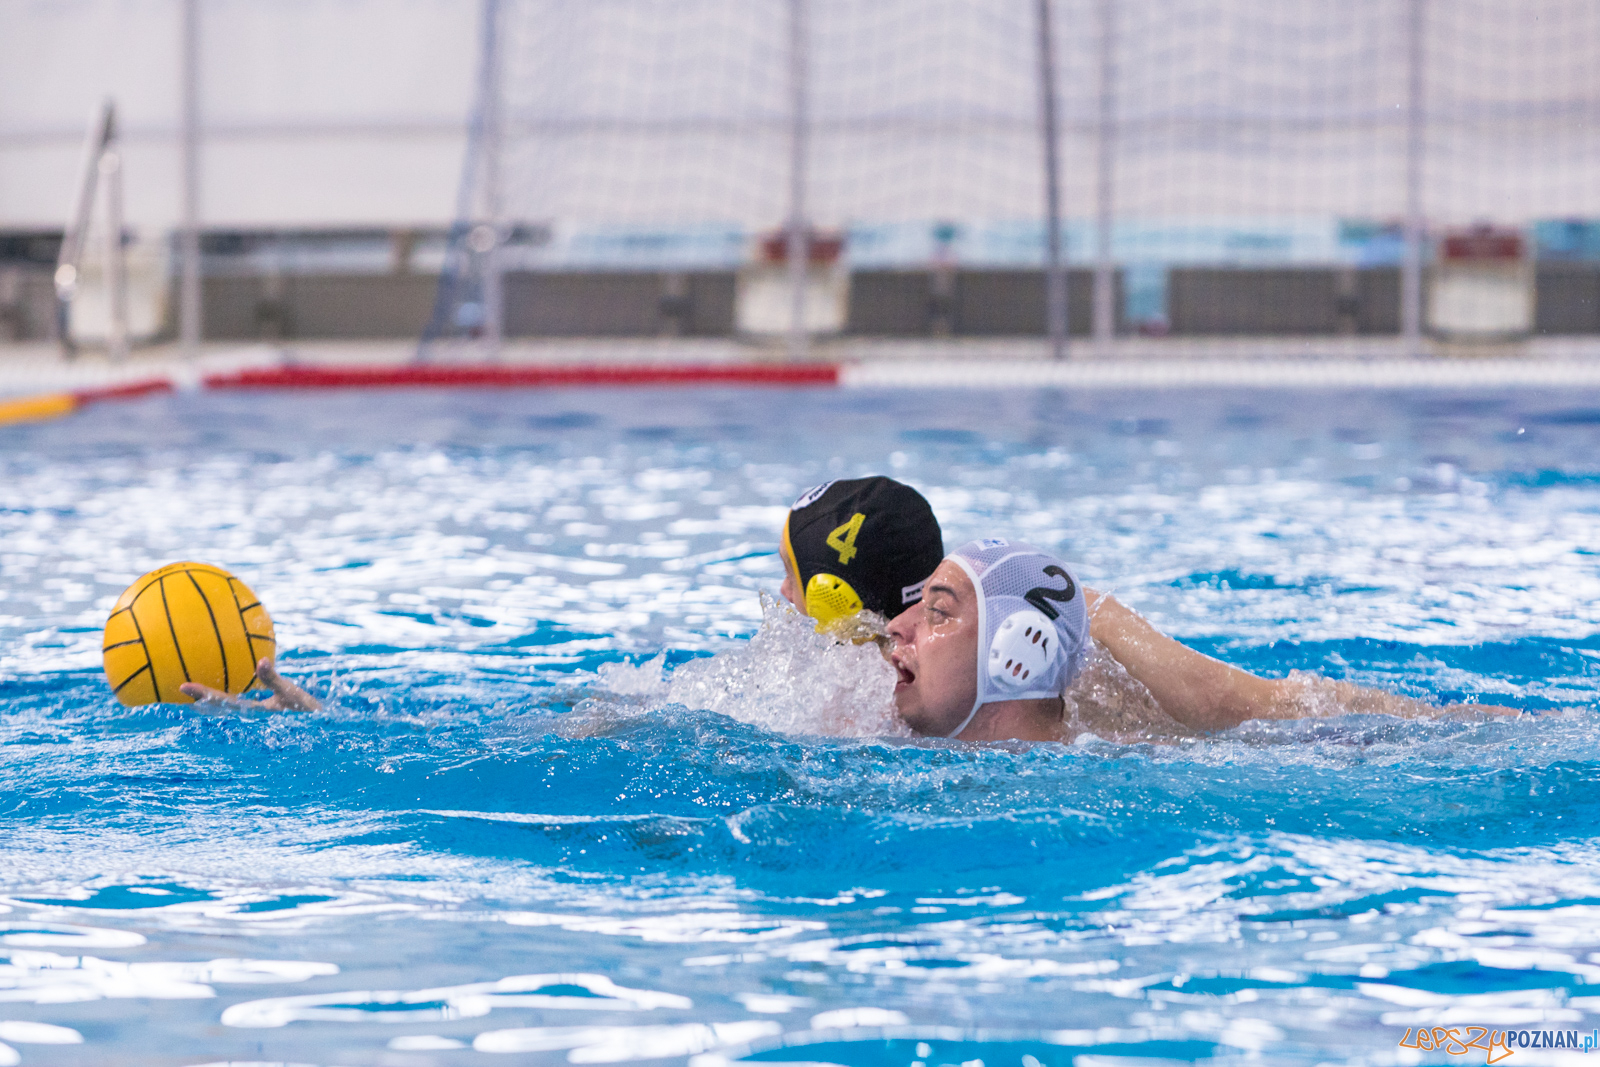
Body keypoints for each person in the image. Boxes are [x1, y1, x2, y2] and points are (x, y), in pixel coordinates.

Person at [885, 538, 1518, 742]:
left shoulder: (1121, 771)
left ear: (1017, 652)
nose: (898, 628)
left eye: (937, 613)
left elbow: (1284, 708)